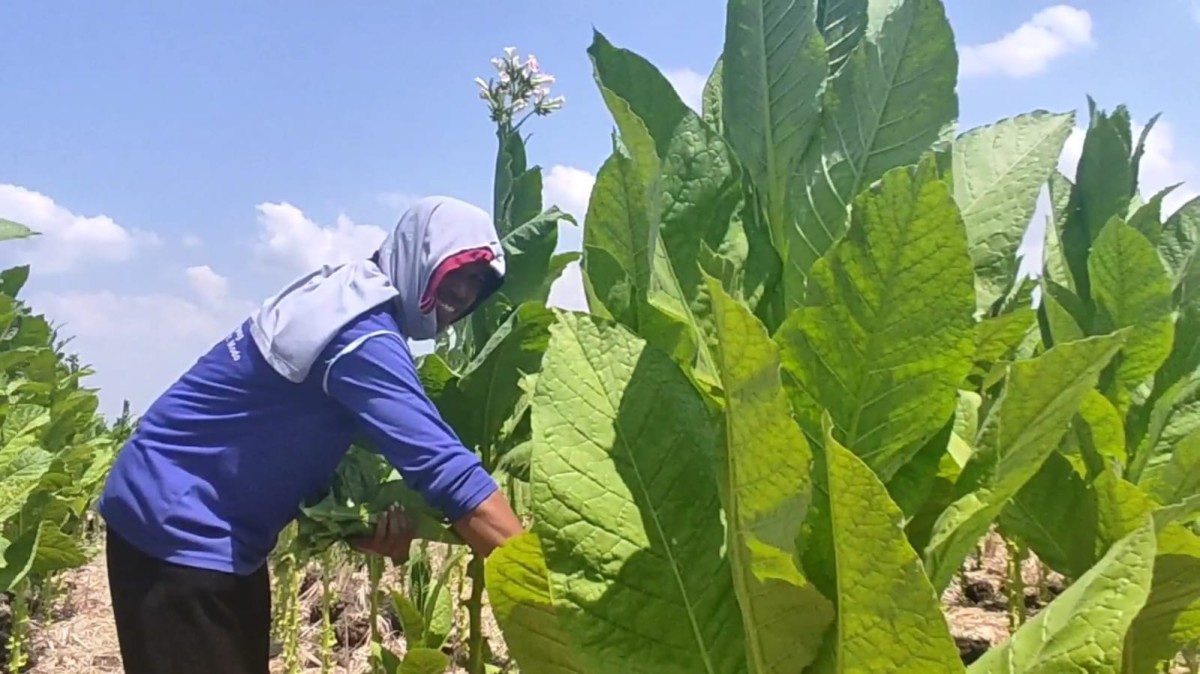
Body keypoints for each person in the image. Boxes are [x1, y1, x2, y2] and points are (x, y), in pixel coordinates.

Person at [95, 196, 526, 674]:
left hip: (215, 532)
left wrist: (360, 522)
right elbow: (448, 473)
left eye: (478, 284)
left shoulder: (346, 297)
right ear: (421, 252)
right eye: (459, 271)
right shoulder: (362, 336)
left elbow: (279, 433)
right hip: (174, 526)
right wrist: (547, 597)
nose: (465, 293)